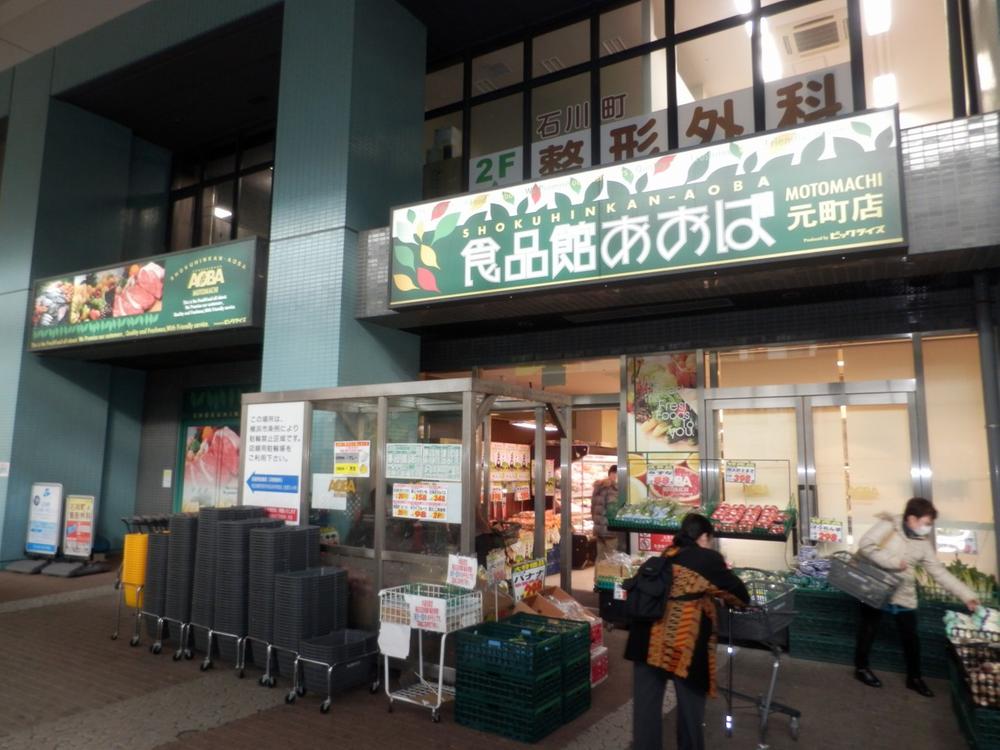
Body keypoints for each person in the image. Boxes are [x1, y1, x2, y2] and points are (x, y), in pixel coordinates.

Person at [626, 513, 749, 750]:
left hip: (645, 638)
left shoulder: (667, 554)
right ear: (704, 537)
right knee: (691, 709)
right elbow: (740, 597)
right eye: (710, 539)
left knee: (646, 711)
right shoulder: (708, 559)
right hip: (683, 644)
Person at [854, 497, 979, 697]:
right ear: (912, 519)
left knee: (911, 637)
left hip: (903, 593)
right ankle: (861, 668)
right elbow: (866, 545)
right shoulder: (888, 525)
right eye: (926, 523)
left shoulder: (922, 543)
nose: (928, 528)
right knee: (869, 628)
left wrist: (967, 596)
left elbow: (938, 572)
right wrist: (893, 562)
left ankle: (914, 677)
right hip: (875, 586)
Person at [591, 464, 624, 559]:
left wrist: (596, 522)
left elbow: (593, 508)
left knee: (600, 556)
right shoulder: (613, 489)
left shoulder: (599, 487)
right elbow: (613, 510)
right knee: (611, 557)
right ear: (614, 474)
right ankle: (607, 574)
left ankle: (598, 574)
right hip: (609, 529)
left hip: (598, 528)